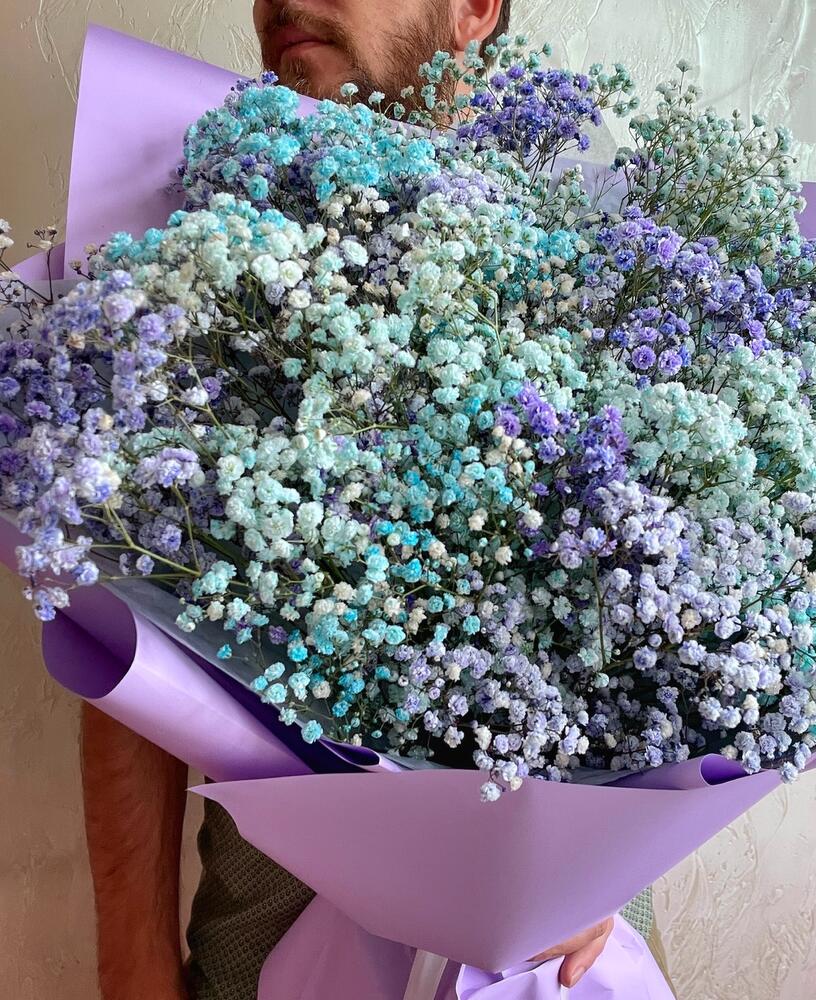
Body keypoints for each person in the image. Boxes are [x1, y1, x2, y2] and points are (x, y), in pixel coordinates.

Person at [80, 3, 639, 997]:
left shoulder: (609, 253)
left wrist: (601, 852)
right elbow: (124, 634)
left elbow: (687, 606)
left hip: (560, 960)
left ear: (474, 9)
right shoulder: (207, 251)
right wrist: (132, 963)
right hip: (265, 946)